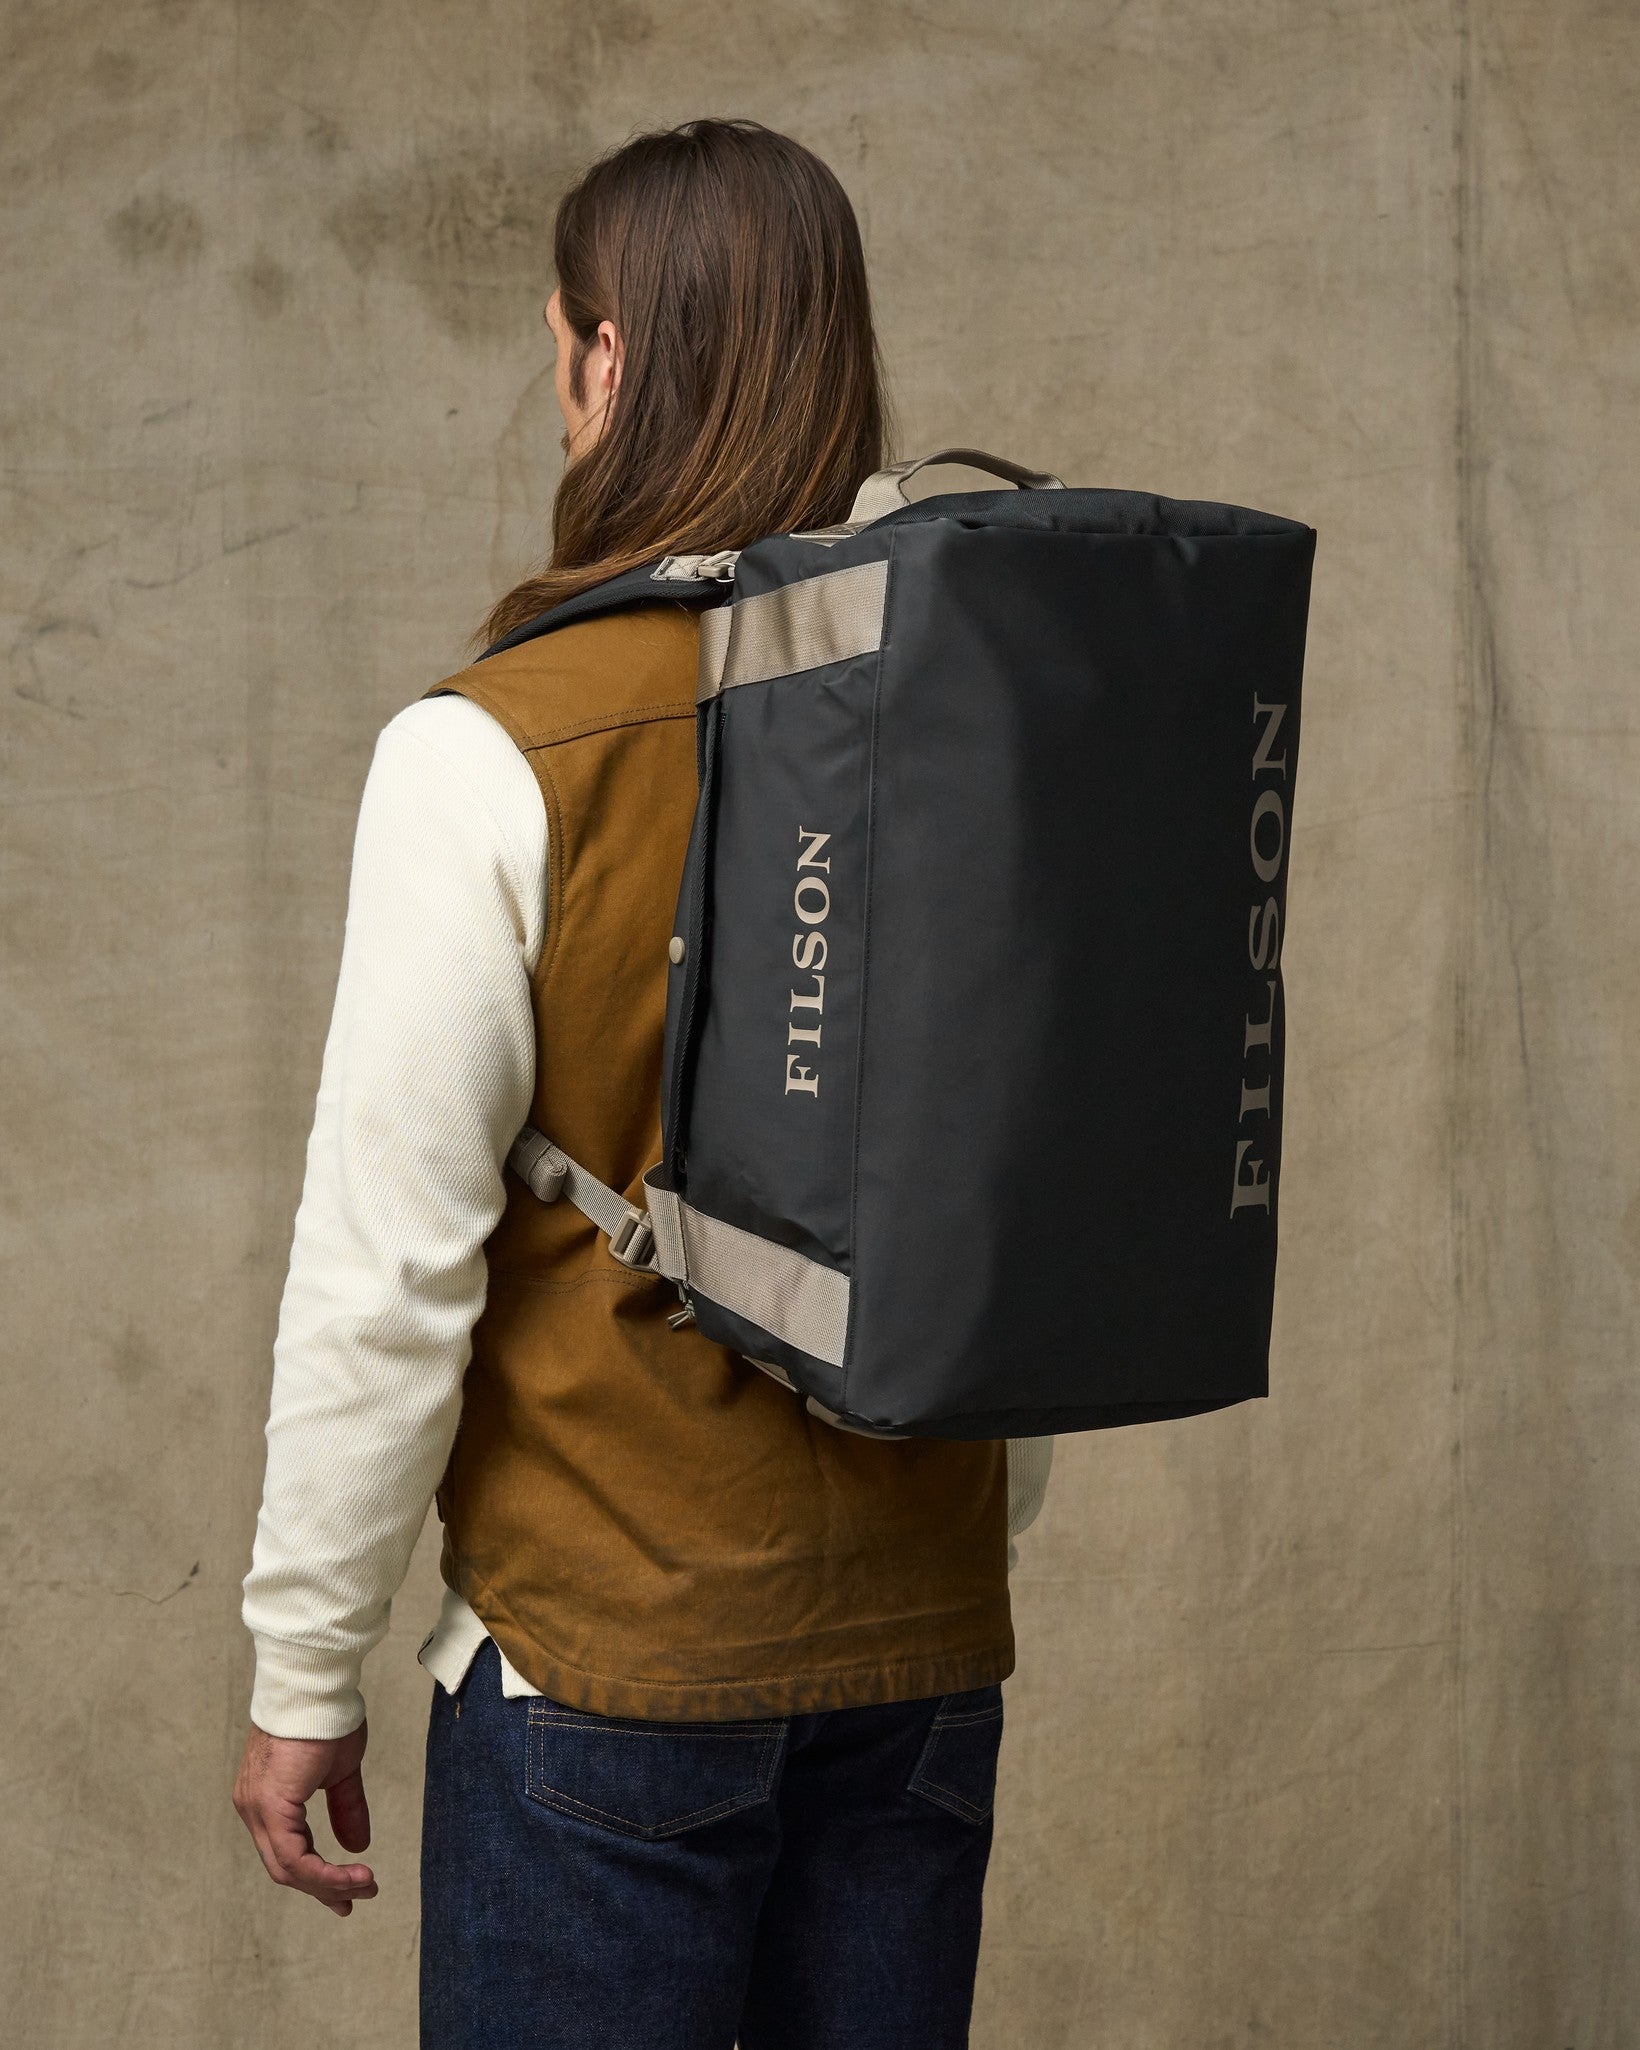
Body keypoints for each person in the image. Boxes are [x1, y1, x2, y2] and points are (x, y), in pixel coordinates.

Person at [234, 117, 1053, 2050]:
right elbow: (1016, 1158)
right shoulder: (983, 712)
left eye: (558, 350)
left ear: (607, 361)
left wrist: (303, 1666)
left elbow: (387, 1268)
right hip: (922, 1650)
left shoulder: (491, 748)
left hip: (607, 1667)